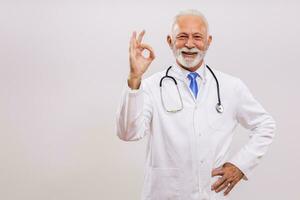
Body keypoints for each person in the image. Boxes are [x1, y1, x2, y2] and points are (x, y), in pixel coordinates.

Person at [116, 9, 276, 200]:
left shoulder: (231, 86)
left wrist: (240, 165)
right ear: (170, 41)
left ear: (208, 41)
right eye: (182, 36)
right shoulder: (150, 86)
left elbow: (265, 125)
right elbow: (128, 134)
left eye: (197, 37)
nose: (190, 44)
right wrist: (135, 78)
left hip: (210, 195)